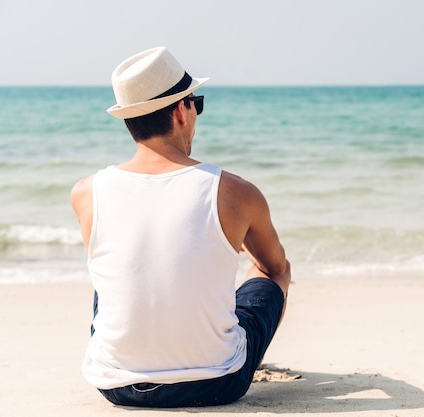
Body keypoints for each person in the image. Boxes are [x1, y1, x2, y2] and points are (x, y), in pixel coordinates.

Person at [70, 46, 291, 408]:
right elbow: (275, 266)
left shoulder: (86, 192)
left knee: (110, 281)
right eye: (195, 102)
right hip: (218, 382)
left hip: (116, 385)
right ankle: (244, 357)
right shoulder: (235, 191)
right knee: (275, 272)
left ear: (130, 121)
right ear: (181, 112)